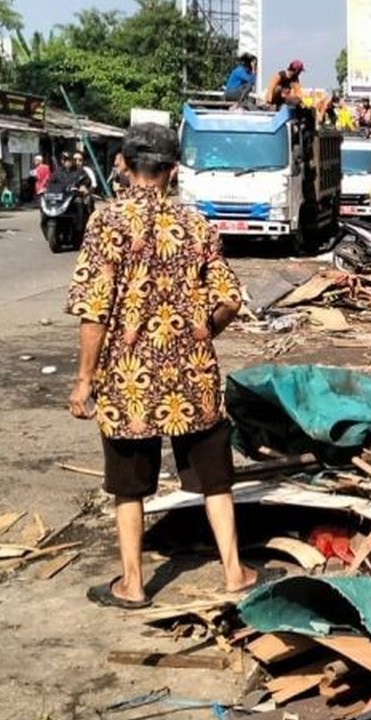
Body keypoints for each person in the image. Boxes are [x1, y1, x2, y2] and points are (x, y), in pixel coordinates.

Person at [66, 123, 273, 609]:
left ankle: (133, 584)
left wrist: (83, 381)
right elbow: (229, 300)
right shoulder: (196, 225)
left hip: (127, 380)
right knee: (215, 480)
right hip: (192, 377)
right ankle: (234, 572)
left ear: (121, 165)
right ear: (173, 171)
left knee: (129, 486)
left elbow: (94, 309)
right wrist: (203, 332)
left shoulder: (106, 223)